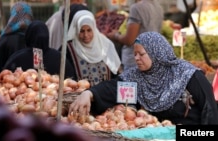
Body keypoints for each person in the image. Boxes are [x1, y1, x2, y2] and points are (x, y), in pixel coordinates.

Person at [69, 31, 218, 125]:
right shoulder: (136, 78)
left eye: (141, 54)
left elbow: (210, 110)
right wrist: (89, 93)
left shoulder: (188, 74)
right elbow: (112, 88)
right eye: (135, 54)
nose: (137, 58)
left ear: (156, 53)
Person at [63, 10, 121, 86]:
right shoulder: (68, 49)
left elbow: (116, 73)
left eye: (89, 30)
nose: (86, 35)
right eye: (82, 31)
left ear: (94, 28)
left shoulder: (106, 45)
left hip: (105, 95)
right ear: (76, 30)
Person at [3, 20, 76, 79]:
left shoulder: (17, 58)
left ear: (28, 36)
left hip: (23, 96)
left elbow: (4, 78)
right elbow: (72, 80)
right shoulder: (60, 58)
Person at [107, 0, 164, 72]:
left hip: (135, 62)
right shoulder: (158, 7)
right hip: (150, 59)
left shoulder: (137, 8)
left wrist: (115, 35)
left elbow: (129, 40)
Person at [0, 1, 33, 71]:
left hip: (5, 80)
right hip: (32, 80)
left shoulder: (5, 38)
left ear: (13, 15)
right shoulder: (34, 38)